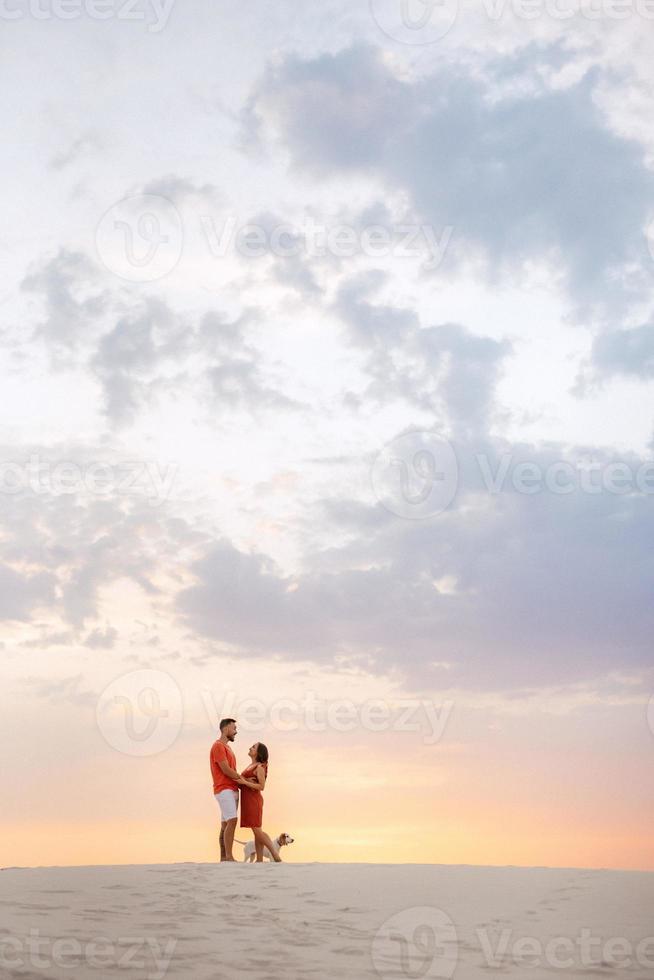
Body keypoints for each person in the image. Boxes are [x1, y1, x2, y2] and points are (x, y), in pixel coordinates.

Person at [237, 742, 282, 862]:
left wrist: (245, 782)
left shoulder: (260, 767)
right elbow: (244, 780)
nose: (250, 748)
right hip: (247, 800)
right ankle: (260, 859)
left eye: (253, 747)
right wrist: (245, 780)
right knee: (257, 831)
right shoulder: (250, 766)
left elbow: (261, 786)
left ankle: (275, 855)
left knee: (257, 830)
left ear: (259, 753)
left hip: (254, 800)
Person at [210, 718, 242, 862]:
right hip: (224, 789)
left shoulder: (228, 748)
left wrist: (240, 782)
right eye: (234, 728)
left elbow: (231, 770)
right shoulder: (218, 746)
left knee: (225, 824)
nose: (236, 731)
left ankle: (223, 857)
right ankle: (229, 856)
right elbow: (226, 770)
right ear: (226, 728)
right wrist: (243, 780)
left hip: (232, 789)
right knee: (232, 820)